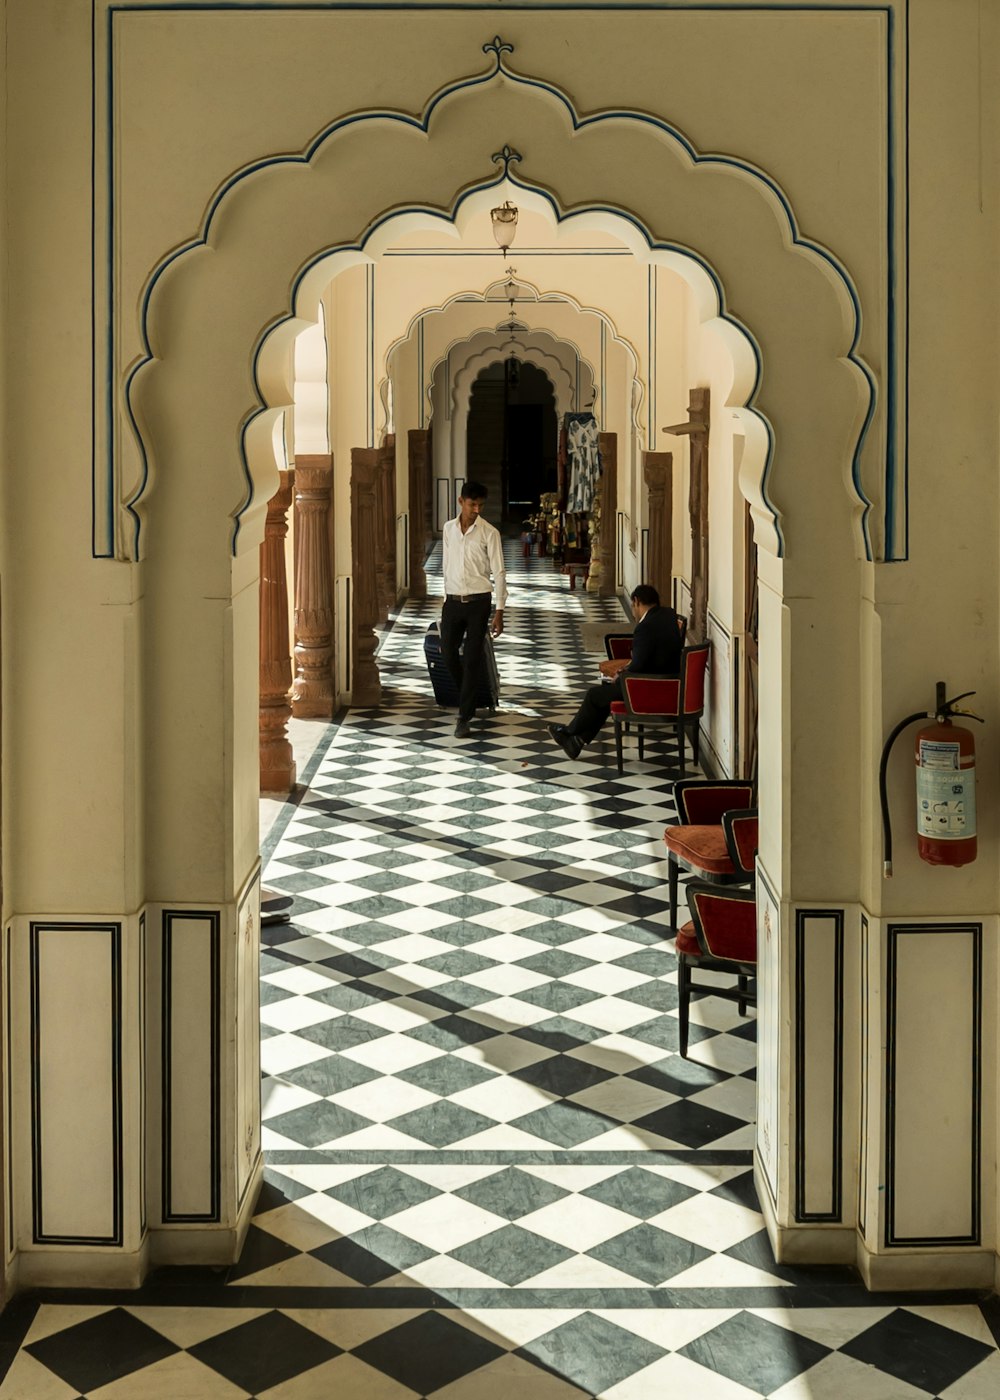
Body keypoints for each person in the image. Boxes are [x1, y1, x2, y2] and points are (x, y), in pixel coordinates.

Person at [548, 584, 682, 759]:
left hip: (648, 687)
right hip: (667, 682)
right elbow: (648, 657)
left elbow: (640, 665)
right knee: (604, 696)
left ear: (636, 601)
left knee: (594, 695)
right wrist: (628, 668)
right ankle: (576, 742)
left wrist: (621, 676)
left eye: (633, 607)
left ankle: (568, 732)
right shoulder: (668, 615)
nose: (634, 612)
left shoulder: (645, 627)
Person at [440, 480, 507, 739]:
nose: (476, 509)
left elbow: (499, 572)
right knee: (446, 652)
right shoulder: (448, 529)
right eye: (472, 504)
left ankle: (464, 716)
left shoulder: (489, 533)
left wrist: (499, 611)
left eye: (480, 505)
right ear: (461, 502)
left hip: (479, 602)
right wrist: (445, 597)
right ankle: (470, 694)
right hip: (453, 601)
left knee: (471, 659)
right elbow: (447, 564)